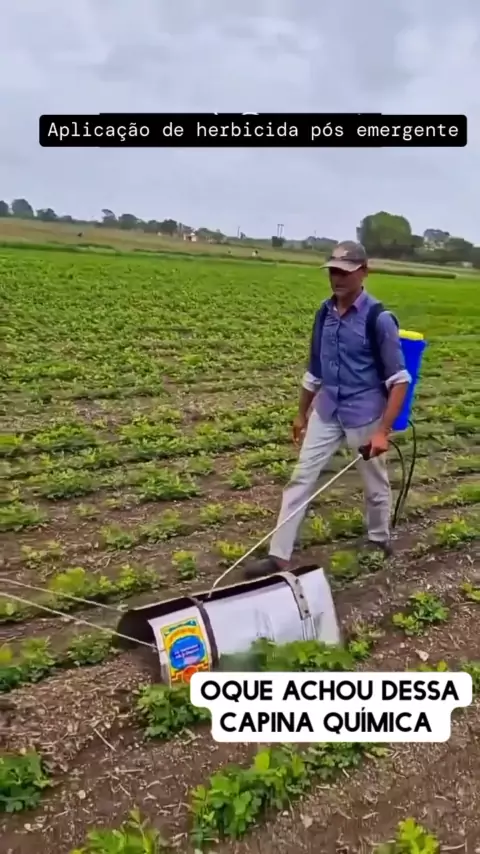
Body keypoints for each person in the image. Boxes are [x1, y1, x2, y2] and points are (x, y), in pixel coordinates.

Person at [243, 240, 411, 580]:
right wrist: (301, 414)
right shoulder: (324, 313)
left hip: (365, 412)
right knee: (301, 478)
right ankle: (278, 556)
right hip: (328, 408)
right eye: (333, 271)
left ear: (364, 272)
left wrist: (383, 432)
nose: (337, 278)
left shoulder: (379, 319)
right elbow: (315, 370)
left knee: (374, 481)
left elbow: (399, 380)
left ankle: (379, 539)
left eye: (345, 272)